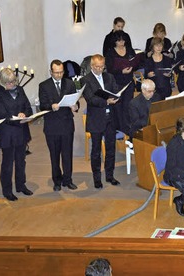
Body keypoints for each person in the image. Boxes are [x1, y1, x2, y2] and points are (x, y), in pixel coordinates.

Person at [0, 68, 34, 201]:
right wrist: (19, 118)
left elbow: (27, 107)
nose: (13, 84)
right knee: (8, 163)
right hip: (8, 132)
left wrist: (25, 114)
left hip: (21, 131)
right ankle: (7, 190)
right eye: (9, 83)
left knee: (21, 160)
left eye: (14, 81)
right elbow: (2, 115)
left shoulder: (20, 90)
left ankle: (21, 185)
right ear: (3, 82)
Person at [38, 59, 79, 192]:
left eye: (61, 72)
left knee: (67, 154)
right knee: (54, 155)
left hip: (67, 123)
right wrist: (51, 106)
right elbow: (42, 105)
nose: (59, 75)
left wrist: (75, 107)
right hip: (52, 126)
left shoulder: (69, 83)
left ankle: (68, 179)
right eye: (56, 73)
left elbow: (75, 102)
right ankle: (57, 180)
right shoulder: (44, 86)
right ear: (51, 72)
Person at [82, 54, 121, 189]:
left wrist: (116, 96)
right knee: (96, 151)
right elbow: (90, 99)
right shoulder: (85, 80)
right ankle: (97, 179)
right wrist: (106, 101)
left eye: (101, 66)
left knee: (111, 148)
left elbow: (115, 90)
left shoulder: (109, 76)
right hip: (96, 119)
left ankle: (110, 176)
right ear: (92, 66)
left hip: (110, 118)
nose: (99, 69)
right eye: (97, 67)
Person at [104, 30, 139, 135]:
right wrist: (121, 71)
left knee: (128, 105)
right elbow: (109, 69)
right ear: (115, 41)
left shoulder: (129, 49)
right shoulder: (110, 52)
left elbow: (136, 62)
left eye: (123, 40)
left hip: (128, 81)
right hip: (116, 82)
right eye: (119, 41)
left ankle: (127, 128)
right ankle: (119, 128)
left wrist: (132, 67)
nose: (121, 43)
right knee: (118, 106)